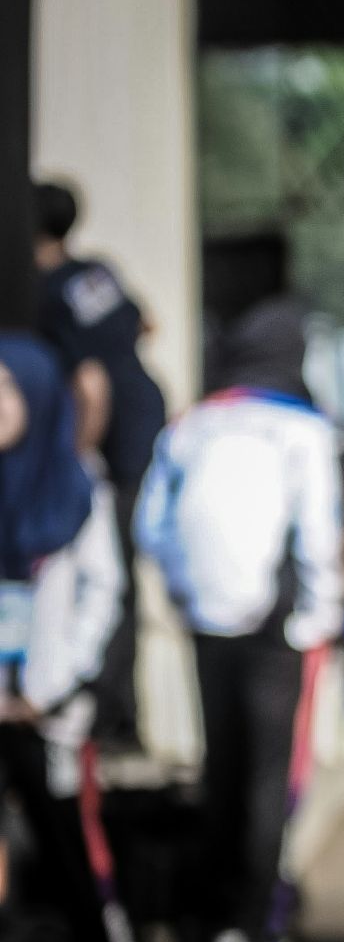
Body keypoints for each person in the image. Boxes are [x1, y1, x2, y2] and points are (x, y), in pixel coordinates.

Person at [135, 297, 344, 942]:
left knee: (218, 768)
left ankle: (209, 921)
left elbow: (151, 525)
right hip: (275, 631)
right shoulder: (303, 430)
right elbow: (319, 534)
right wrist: (317, 618)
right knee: (266, 779)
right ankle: (256, 927)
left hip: (207, 625)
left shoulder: (192, 423)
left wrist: (186, 595)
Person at [0, 336, 155, 942]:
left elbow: (104, 594)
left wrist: (60, 687)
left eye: (4, 390)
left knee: (71, 862)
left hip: (48, 714)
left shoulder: (75, 486)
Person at [33, 181, 168, 750]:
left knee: (107, 578)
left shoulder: (43, 291)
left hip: (113, 444)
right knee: (125, 579)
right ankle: (121, 712)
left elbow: (91, 386)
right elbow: (146, 323)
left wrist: (79, 459)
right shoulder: (95, 272)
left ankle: (110, 714)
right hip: (148, 423)